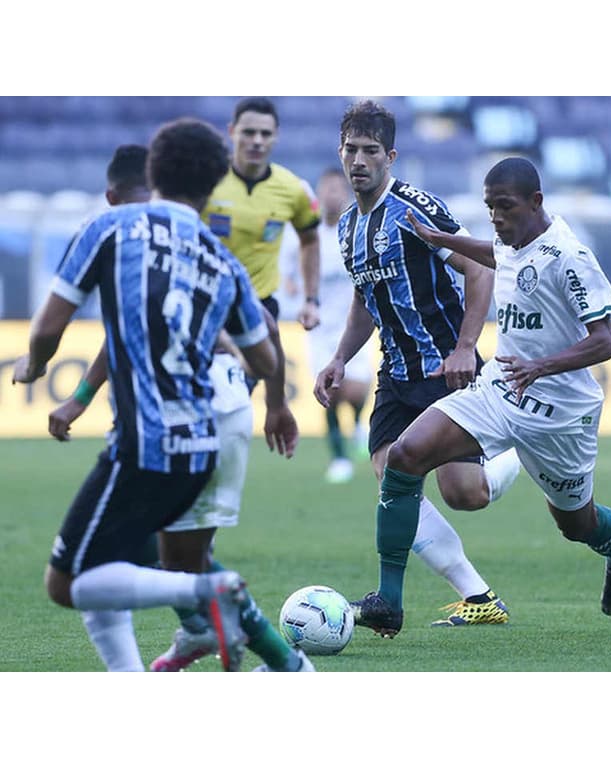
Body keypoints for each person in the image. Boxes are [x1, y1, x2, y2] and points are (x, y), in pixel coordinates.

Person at [12, 118, 278, 672]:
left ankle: (206, 593)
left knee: (68, 584)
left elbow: (45, 328)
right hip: (201, 446)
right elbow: (267, 359)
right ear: (214, 185)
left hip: (144, 444)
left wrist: (35, 366)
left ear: (153, 168)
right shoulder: (220, 260)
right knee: (110, 559)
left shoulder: (112, 227)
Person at [359, 155, 611, 638]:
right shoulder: (513, 237)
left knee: (577, 525)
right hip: (498, 389)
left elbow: (606, 341)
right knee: (404, 457)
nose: (496, 217)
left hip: (559, 414)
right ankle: (388, 601)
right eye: (490, 207)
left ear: (536, 202)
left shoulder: (569, 257)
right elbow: (497, 253)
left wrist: (542, 365)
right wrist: (443, 240)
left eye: (505, 207)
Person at [314, 101, 522, 634]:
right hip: (395, 373)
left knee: (464, 494)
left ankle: (517, 449)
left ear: (391, 156)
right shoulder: (346, 227)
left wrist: (465, 346)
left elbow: (479, 267)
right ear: (340, 153)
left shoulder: (413, 208)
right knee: (389, 475)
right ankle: (476, 596)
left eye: (370, 151)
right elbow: (367, 298)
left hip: (445, 370)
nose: (359, 160)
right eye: (351, 150)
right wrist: (340, 357)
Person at [203, 96, 320, 453]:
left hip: (257, 311)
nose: (257, 141)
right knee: (204, 409)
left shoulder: (293, 189)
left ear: (276, 137)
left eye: (265, 134)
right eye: (249, 132)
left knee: (229, 399)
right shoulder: (207, 182)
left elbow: (310, 239)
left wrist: (310, 298)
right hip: (205, 309)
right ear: (231, 133)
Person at [282, 167, 371, 483]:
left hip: (354, 325)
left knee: (358, 390)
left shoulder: (356, 229)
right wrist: (294, 289)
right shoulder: (306, 235)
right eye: (327, 189)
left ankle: (360, 425)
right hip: (320, 327)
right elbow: (288, 270)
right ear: (320, 195)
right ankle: (340, 458)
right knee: (330, 391)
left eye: (337, 189)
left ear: (345, 194)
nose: (332, 195)